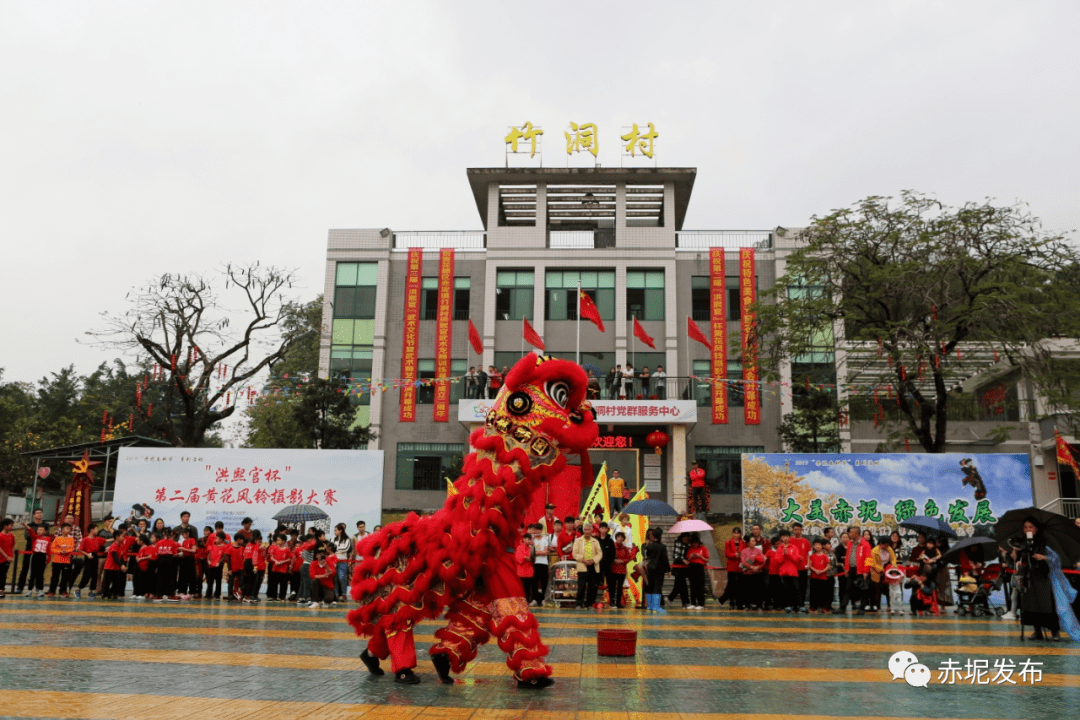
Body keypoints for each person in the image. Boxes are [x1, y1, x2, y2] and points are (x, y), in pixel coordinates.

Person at [1015, 517, 1080, 641]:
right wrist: (1017, 555)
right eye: (1025, 527)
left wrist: (1045, 558)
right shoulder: (1023, 543)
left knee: (1047, 604)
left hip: (1044, 577)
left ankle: (1055, 632)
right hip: (1030, 577)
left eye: (1030, 527)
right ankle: (1037, 631)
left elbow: (1057, 559)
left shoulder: (1046, 542)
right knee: (1032, 605)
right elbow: (1019, 559)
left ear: (1036, 528)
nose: (1027, 529)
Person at [836, 525, 872, 615]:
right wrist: (847, 569)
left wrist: (866, 571)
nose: (849, 534)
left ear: (856, 533)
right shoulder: (850, 543)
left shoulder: (865, 544)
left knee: (862, 590)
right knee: (847, 589)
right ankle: (842, 607)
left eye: (850, 532)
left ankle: (862, 608)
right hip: (851, 569)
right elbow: (848, 556)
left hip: (861, 570)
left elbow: (869, 558)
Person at [17, 509, 49, 595]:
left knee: (40, 572)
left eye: (41, 513)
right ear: (34, 515)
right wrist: (36, 536)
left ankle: (39, 588)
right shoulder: (30, 525)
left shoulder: (46, 525)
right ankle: (20, 587)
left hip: (42, 552)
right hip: (30, 549)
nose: (39, 514)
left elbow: (47, 535)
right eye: (37, 513)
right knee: (25, 569)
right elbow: (27, 536)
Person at [572, 523, 602, 608]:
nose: (587, 531)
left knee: (592, 586)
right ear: (583, 531)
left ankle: (589, 603)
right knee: (581, 586)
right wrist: (583, 560)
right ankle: (579, 603)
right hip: (582, 565)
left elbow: (599, 554)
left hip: (593, 566)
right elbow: (574, 554)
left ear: (591, 530)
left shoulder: (595, 541)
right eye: (585, 529)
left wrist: (593, 560)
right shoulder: (578, 541)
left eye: (589, 529)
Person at [46, 524, 77, 597]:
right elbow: (53, 548)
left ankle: (63, 591)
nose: (68, 530)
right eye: (66, 528)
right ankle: (52, 591)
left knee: (65, 577)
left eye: (69, 529)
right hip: (56, 560)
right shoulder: (57, 539)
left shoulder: (71, 539)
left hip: (66, 561)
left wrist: (67, 551)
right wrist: (60, 551)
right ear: (62, 530)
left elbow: (72, 548)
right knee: (55, 577)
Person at [866, 536, 895, 613]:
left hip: (887, 573)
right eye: (884, 545)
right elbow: (874, 564)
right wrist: (882, 570)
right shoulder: (874, 551)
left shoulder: (889, 549)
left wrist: (892, 567)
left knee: (888, 590)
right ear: (880, 544)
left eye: (887, 545)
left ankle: (890, 606)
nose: (886, 547)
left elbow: (893, 559)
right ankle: (878, 607)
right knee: (877, 591)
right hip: (876, 573)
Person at [643, 528, 670, 612]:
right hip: (659, 568)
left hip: (650, 567)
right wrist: (668, 569)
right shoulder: (662, 547)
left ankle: (649, 606)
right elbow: (665, 559)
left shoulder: (649, 546)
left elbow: (647, 555)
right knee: (657, 586)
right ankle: (656, 606)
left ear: (653, 536)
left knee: (650, 585)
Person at [718, 527, 745, 609]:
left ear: (740, 534)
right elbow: (727, 554)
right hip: (731, 567)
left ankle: (739, 603)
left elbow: (745, 553)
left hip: (740, 567)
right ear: (732, 534)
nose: (736, 535)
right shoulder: (728, 543)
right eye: (735, 533)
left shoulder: (743, 543)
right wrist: (735, 555)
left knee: (739, 586)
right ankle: (730, 602)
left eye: (738, 533)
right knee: (731, 585)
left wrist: (741, 555)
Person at [739, 535, 767, 610]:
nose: (754, 542)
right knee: (747, 590)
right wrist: (751, 567)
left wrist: (758, 567)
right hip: (748, 574)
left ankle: (759, 605)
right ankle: (747, 605)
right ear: (748, 543)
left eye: (754, 541)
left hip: (757, 573)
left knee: (758, 590)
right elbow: (743, 561)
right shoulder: (744, 551)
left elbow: (764, 560)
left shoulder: (758, 550)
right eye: (752, 541)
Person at [596, 523, 619, 608]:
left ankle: (612, 601)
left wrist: (609, 561)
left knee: (611, 583)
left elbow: (613, 553)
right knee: (595, 583)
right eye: (601, 528)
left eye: (604, 528)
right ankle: (593, 601)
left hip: (608, 565)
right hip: (598, 565)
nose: (603, 530)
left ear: (607, 529)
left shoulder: (610, 541)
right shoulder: (596, 540)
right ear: (599, 529)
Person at [808, 539, 833, 613]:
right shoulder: (812, 556)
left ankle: (824, 608)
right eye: (815, 545)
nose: (817, 546)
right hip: (814, 577)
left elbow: (828, 565)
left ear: (822, 546)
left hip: (823, 577)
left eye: (819, 545)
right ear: (813, 546)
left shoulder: (825, 556)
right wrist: (815, 570)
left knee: (824, 593)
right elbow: (809, 565)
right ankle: (813, 608)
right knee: (813, 593)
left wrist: (822, 571)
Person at [155, 528, 180, 601]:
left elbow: (156, 553)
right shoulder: (173, 542)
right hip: (169, 559)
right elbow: (175, 553)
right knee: (170, 578)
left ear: (163, 533)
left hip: (160, 559)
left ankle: (158, 595)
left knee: (160, 577)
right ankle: (170, 595)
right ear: (170, 534)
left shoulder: (159, 542)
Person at [790, 522, 811, 610]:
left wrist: (809, 564)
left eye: (799, 529)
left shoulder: (805, 541)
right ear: (793, 530)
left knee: (803, 587)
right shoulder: (790, 540)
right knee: (793, 587)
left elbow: (808, 554)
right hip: (792, 568)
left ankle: (801, 605)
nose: (797, 531)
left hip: (803, 568)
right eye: (795, 529)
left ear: (802, 530)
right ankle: (794, 605)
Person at [686, 533, 710, 610]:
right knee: (692, 585)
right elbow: (688, 559)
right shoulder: (690, 548)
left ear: (698, 542)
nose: (694, 544)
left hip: (700, 567)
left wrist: (700, 556)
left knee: (700, 586)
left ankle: (701, 603)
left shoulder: (703, 548)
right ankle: (693, 603)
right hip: (692, 566)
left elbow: (707, 560)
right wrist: (691, 556)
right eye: (693, 543)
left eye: (696, 542)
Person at [267, 533, 292, 601]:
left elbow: (290, 558)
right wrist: (275, 561)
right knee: (274, 583)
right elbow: (271, 557)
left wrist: (282, 562)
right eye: (277, 540)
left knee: (283, 584)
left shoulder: (287, 549)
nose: (277, 542)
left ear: (283, 541)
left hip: (283, 569)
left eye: (279, 540)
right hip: (275, 568)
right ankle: (273, 596)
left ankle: (282, 597)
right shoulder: (275, 548)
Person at [611, 532, 634, 609]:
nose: (620, 538)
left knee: (620, 587)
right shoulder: (612, 547)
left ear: (624, 539)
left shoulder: (625, 548)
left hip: (622, 570)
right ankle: (612, 602)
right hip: (613, 570)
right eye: (618, 537)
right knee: (612, 587)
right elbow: (608, 556)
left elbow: (629, 558)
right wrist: (614, 560)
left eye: (622, 537)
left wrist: (622, 561)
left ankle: (618, 602)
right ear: (616, 538)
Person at [332, 524, 354, 601]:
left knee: (342, 577)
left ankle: (344, 594)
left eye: (336, 530)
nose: (335, 532)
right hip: (334, 561)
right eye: (334, 530)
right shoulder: (333, 539)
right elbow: (331, 548)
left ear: (340, 531)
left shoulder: (347, 539)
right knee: (335, 578)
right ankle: (336, 594)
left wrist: (336, 549)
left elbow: (346, 548)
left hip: (343, 561)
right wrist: (336, 549)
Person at [668, 533, 690, 608]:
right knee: (682, 585)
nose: (687, 541)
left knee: (678, 586)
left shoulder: (688, 545)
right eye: (685, 539)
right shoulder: (678, 543)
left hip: (684, 569)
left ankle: (669, 599)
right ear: (682, 538)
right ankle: (685, 602)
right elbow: (675, 556)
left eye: (688, 539)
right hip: (678, 568)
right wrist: (683, 559)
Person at [515, 533, 535, 605]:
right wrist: (526, 558)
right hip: (521, 571)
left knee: (528, 588)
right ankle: (521, 601)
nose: (529, 541)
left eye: (530, 539)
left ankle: (527, 601)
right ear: (524, 539)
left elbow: (533, 559)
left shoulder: (531, 548)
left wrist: (527, 558)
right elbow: (518, 558)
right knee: (522, 588)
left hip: (529, 571)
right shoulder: (519, 547)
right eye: (528, 539)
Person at [0, 518, 15, 599]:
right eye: (11, 525)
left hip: (7, 559)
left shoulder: (11, 535)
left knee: (3, 575)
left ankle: (1, 590)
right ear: (5, 526)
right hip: (1, 558)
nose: (12, 527)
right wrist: (6, 556)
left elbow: (13, 545)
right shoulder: (0, 535)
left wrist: (11, 555)